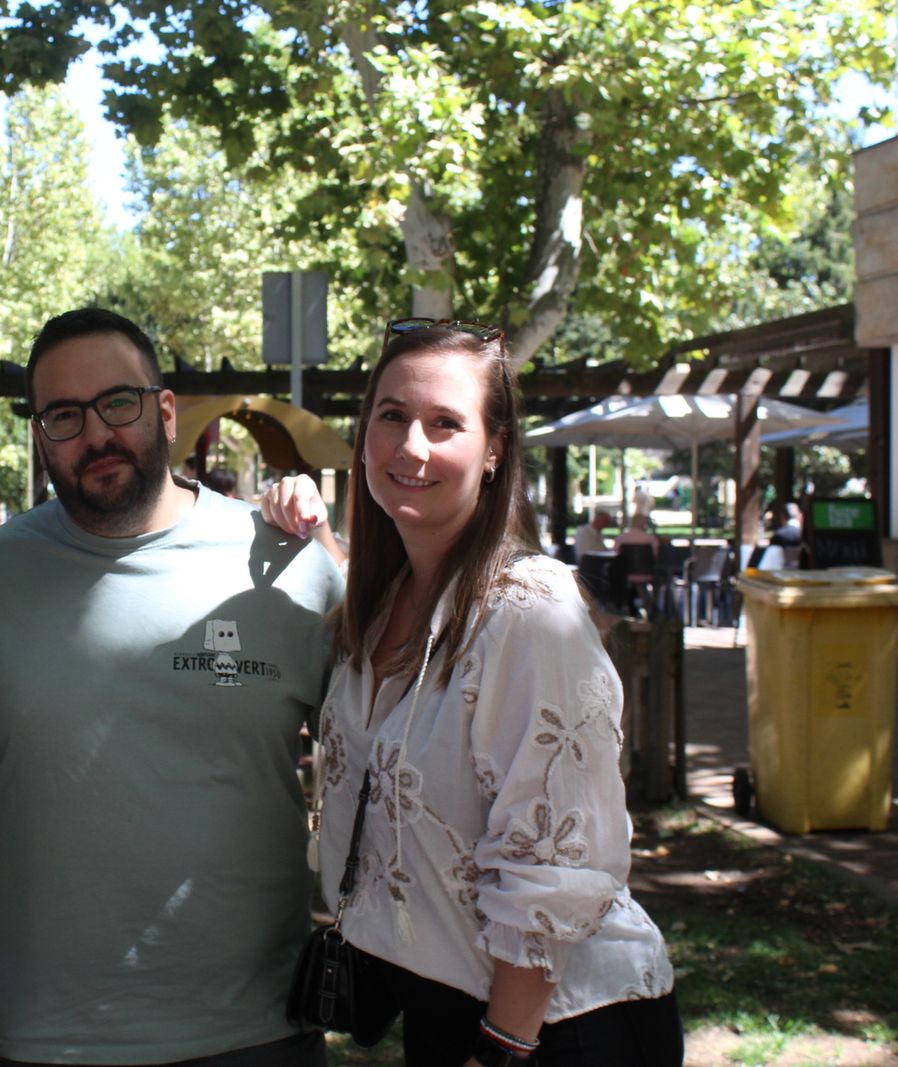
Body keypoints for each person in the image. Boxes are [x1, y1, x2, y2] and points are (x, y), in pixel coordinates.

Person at [261, 319, 681, 1066]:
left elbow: (552, 864)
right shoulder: (384, 604)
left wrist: (501, 1045)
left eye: (444, 423)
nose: (411, 447)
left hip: (554, 1024)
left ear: (494, 450)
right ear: (363, 438)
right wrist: (303, 517)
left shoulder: (527, 611)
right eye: (391, 417)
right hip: (450, 1007)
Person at [0, 307, 344, 1066]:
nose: (96, 434)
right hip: (35, 1039)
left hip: (256, 1032)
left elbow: (388, 767)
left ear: (163, 410)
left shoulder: (290, 568)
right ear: (39, 433)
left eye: (118, 402)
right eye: (63, 414)